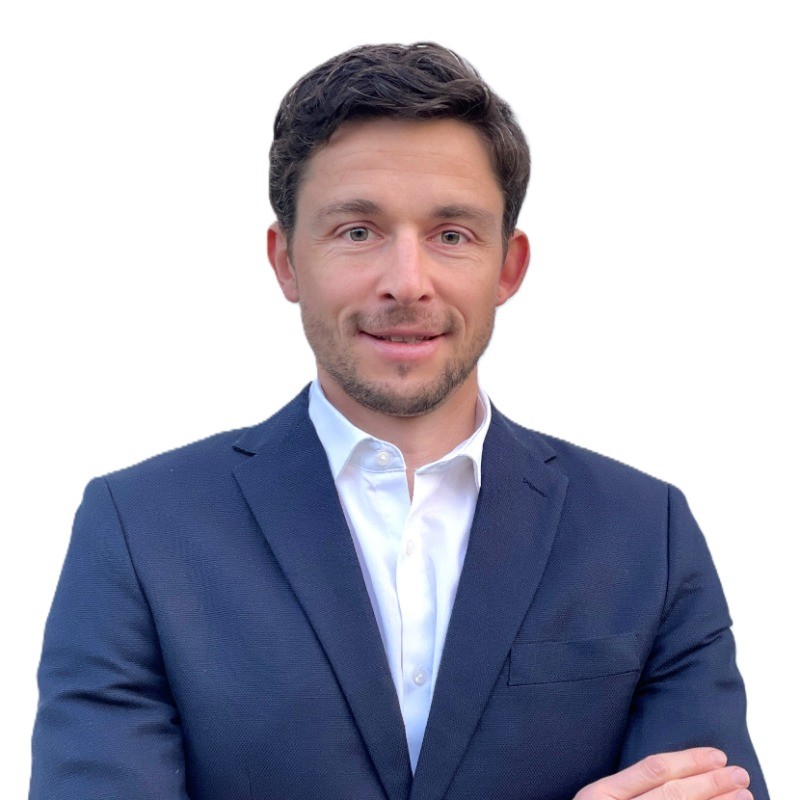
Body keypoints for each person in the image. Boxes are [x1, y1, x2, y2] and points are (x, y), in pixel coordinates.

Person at [29, 42, 768, 800]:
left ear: (508, 266)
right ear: (286, 261)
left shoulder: (646, 533)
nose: (407, 283)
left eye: (452, 235)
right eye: (358, 231)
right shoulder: (140, 529)